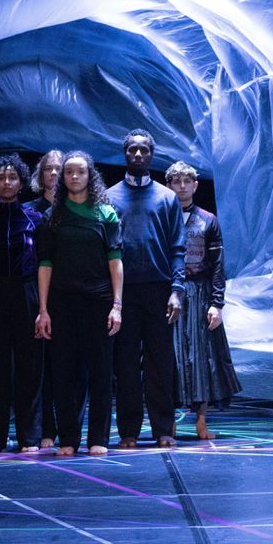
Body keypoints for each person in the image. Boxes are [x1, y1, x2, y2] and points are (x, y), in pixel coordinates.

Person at [35, 152, 123, 456]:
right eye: (68, 172)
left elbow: (116, 261)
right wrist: (43, 309)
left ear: (90, 176)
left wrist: (117, 305)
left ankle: (98, 437)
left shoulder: (105, 213)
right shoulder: (53, 216)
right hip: (61, 303)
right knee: (62, 374)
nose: (74, 177)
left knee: (100, 372)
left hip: (98, 302)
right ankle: (68, 439)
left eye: (80, 172)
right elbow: (45, 263)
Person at [107, 129, 185, 448]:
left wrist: (176, 290)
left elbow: (178, 247)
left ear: (152, 155)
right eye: (132, 150)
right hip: (123, 293)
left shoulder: (167, 197)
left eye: (144, 150)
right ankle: (128, 431)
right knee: (125, 364)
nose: (138, 155)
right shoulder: (109, 197)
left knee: (160, 363)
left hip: (158, 290)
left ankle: (163, 428)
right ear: (124, 154)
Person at [0, 155, 45, 453]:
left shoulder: (35, 219)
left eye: (12, 177)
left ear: (21, 182)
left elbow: (44, 266)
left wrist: (43, 309)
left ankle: (30, 436)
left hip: (27, 294)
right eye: (1, 178)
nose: (6, 183)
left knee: (30, 367)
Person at [165, 162, 241, 439]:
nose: (182, 186)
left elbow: (218, 265)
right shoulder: (162, 216)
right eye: (177, 181)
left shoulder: (208, 220)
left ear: (196, 185)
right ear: (170, 185)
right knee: (171, 358)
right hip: (170, 295)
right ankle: (168, 421)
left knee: (201, 358)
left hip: (199, 294)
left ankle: (200, 420)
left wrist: (217, 303)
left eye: (187, 181)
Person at [29, 149, 64, 446]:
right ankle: (44, 430)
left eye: (58, 169)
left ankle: (67, 428)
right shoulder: (30, 210)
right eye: (47, 169)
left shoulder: (77, 207)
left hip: (68, 293)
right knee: (39, 368)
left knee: (66, 366)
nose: (53, 174)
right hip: (35, 295)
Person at [29, 150, 63, 215]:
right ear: (41, 175)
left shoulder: (76, 209)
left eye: (59, 168)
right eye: (48, 168)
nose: (53, 172)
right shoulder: (27, 210)